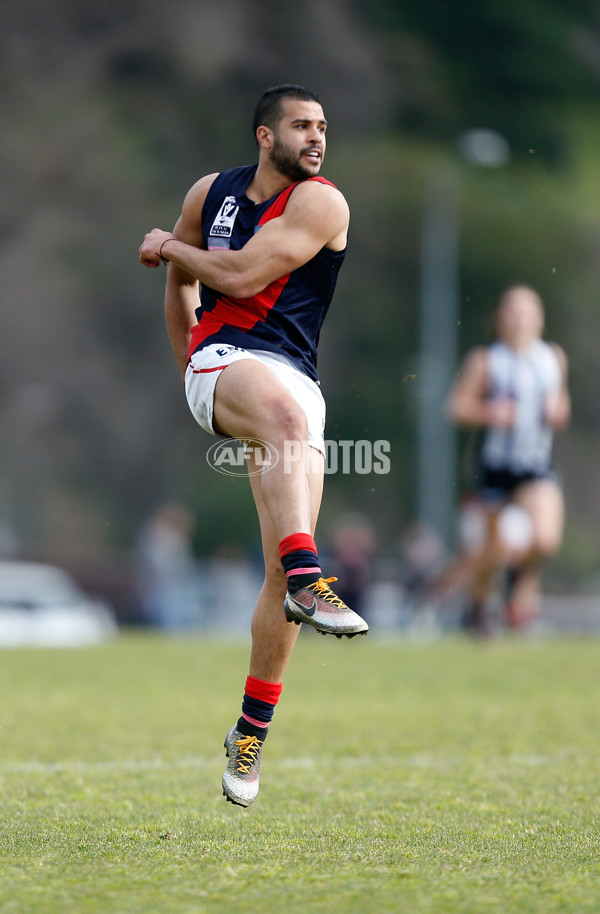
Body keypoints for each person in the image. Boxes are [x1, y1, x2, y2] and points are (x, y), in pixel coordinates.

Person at [139, 84, 368, 808]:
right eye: (302, 125)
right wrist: (191, 373)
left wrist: (169, 244)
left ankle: (248, 736)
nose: (317, 137)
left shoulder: (323, 203)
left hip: (297, 382)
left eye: (323, 126)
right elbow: (184, 288)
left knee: (277, 570)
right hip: (226, 361)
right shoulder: (212, 194)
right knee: (286, 437)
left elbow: (236, 272)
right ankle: (313, 577)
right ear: (265, 136)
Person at [441, 285, 570, 634]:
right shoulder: (486, 361)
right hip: (494, 469)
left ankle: (518, 585)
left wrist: (557, 412)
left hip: (534, 467)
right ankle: (479, 609)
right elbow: (456, 407)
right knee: (492, 548)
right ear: (500, 319)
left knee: (545, 538)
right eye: (513, 311)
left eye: (527, 312)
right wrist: (490, 412)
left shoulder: (553, 358)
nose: (520, 319)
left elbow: (562, 404)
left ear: (540, 318)